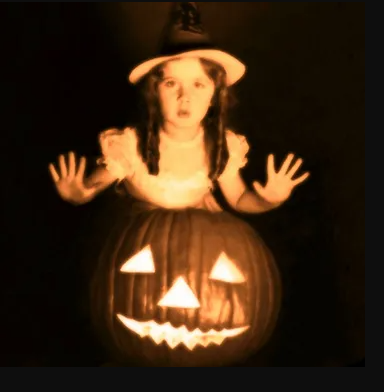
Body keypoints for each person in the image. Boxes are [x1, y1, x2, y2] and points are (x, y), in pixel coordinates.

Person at [48, 3, 309, 214]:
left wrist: (269, 201)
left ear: (214, 97)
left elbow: (239, 198)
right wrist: (78, 194)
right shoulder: (130, 146)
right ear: (154, 93)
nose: (185, 96)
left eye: (198, 85)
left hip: (198, 237)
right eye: (172, 83)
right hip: (139, 234)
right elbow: (93, 185)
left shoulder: (221, 147)